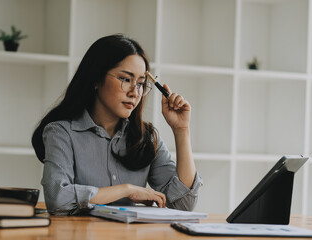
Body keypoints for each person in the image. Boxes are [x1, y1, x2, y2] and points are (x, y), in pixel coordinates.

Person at [32, 34, 203, 215]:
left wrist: (181, 130)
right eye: (125, 79)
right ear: (96, 79)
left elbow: (184, 204)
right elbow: (57, 199)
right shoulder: (62, 132)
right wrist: (127, 190)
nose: (135, 92)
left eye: (141, 84)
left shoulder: (147, 138)